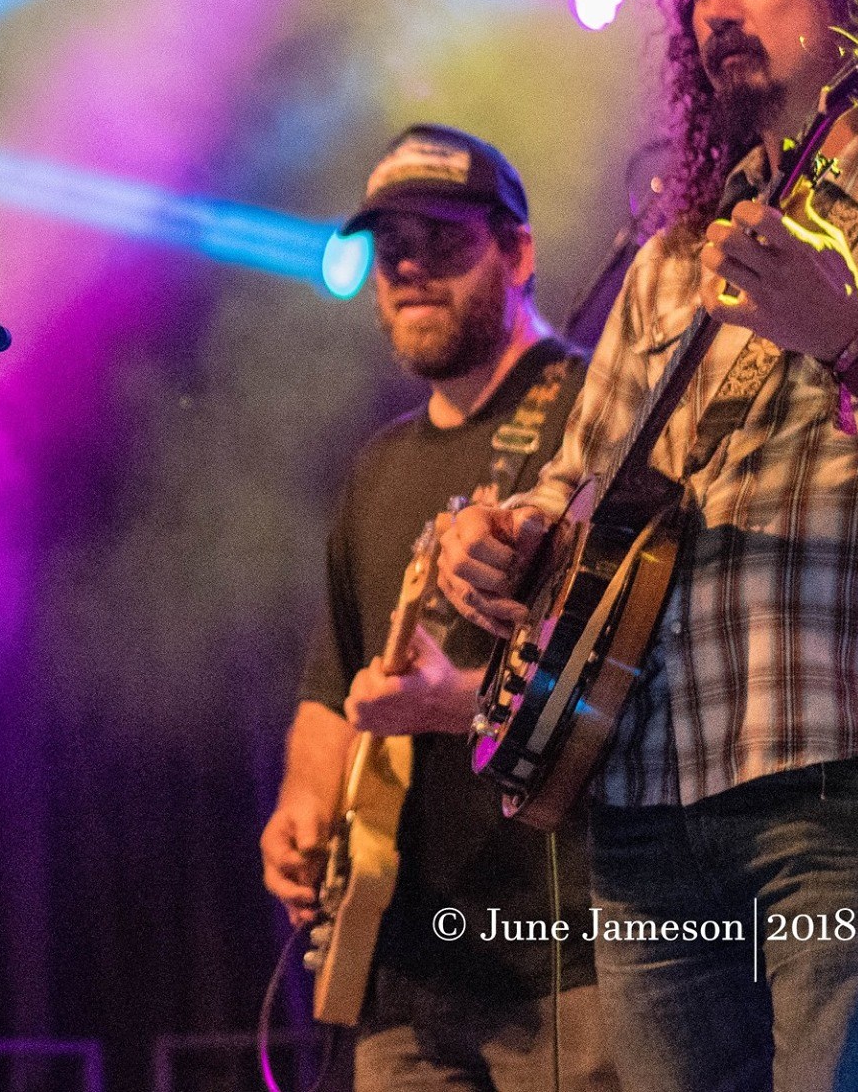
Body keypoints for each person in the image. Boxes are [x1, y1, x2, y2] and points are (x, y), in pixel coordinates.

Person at [437, 0, 858, 1092]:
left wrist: (857, 337)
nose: (712, 6)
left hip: (845, 778)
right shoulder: (671, 260)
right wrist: (510, 539)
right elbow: (582, 490)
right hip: (643, 798)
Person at [261, 125, 615, 1090]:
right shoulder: (376, 468)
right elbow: (334, 685)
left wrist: (461, 700)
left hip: (571, 960)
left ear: (519, 250)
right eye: (389, 250)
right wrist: (303, 811)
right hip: (402, 979)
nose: (410, 267)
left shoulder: (595, 420)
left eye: (443, 240)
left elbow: (639, 681)